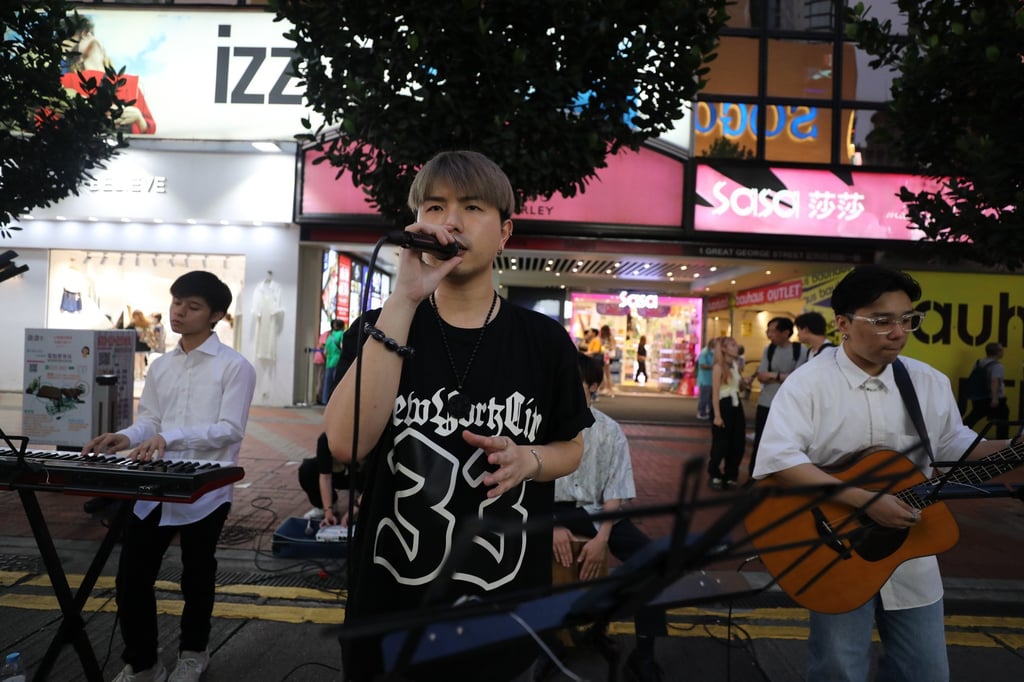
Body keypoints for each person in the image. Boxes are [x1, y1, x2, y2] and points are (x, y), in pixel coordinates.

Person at [323, 150, 594, 682]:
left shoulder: (543, 341)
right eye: (434, 207)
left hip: (503, 606)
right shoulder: (383, 325)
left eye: (472, 207)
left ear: (505, 232)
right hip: (390, 601)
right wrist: (403, 299)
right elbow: (343, 445)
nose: (451, 221)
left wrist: (529, 461)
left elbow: (572, 447)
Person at [753, 265, 1019, 682]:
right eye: (882, 321)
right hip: (835, 551)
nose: (899, 331)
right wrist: (864, 501)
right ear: (843, 323)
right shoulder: (809, 385)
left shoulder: (927, 382)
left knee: (927, 672)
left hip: (912, 554)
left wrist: (1013, 450)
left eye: (908, 319)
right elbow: (779, 461)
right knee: (839, 670)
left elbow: (956, 448)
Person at [81, 271, 255, 682]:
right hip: (156, 484)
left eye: (192, 306)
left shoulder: (235, 367)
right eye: (177, 302)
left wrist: (167, 437)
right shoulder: (161, 366)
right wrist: (123, 437)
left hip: (207, 487)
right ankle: (143, 663)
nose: (179, 311)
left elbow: (229, 429)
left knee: (197, 574)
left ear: (215, 316)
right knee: (131, 577)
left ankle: (194, 652)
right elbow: (151, 420)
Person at [547, 352, 666, 681]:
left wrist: (603, 538)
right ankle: (545, 643)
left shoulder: (610, 431)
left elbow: (616, 489)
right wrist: (552, 525)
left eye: (576, 385)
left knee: (653, 562)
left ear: (593, 387)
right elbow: (528, 488)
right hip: (555, 511)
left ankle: (644, 656)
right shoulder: (542, 423)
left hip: (601, 513)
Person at [61, 17, 157, 134]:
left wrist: (138, 118)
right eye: (79, 36)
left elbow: (150, 132)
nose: (88, 35)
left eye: (87, 32)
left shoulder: (129, 83)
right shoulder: (65, 82)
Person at [750, 316, 807, 477]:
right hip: (766, 402)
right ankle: (755, 476)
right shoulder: (769, 349)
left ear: (786, 332)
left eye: (772, 331)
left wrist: (773, 375)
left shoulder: (800, 350)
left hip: (788, 406)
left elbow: (796, 378)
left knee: (784, 444)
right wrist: (781, 376)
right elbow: (761, 375)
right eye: (768, 330)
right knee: (760, 441)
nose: (769, 334)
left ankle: (777, 477)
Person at [708, 336, 748, 490]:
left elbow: (738, 388)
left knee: (738, 442)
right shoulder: (718, 367)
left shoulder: (736, 365)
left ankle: (731, 474)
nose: (736, 347)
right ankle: (715, 473)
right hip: (723, 405)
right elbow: (715, 393)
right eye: (732, 345)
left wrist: (744, 384)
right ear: (724, 349)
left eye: (735, 344)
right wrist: (717, 415)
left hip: (736, 404)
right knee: (720, 443)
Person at [299, 432, 354, 524]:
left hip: (357, 477)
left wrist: (355, 508)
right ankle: (323, 506)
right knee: (307, 469)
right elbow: (325, 477)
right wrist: (328, 512)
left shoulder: (364, 442)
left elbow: (373, 482)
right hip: (335, 477)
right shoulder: (325, 439)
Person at [963, 342, 1010, 439]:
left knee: (972, 418)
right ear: (997, 352)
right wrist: (995, 398)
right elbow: (994, 381)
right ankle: (1002, 443)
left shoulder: (978, 363)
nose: (1003, 352)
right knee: (1003, 421)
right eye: (1001, 350)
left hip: (978, 397)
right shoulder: (997, 366)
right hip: (993, 398)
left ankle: (960, 433)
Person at [320, 319, 346, 405]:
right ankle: (334, 402)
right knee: (336, 383)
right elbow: (343, 346)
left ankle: (325, 400)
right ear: (342, 326)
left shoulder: (330, 336)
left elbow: (325, 351)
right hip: (337, 361)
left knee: (327, 383)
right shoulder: (341, 334)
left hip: (329, 362)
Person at [127, 309, 153, 380]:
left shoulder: (142, 324)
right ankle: (139, 374)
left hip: (141, 344)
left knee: (140, 360)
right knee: (139, 360)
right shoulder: (144, 324)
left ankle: (140, 374)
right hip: (140, 344)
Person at [695, 338, 717, 420]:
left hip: (711, 380)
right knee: (704, 397)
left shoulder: (713, 353)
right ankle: (701, 412)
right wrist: (714, 366)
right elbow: (702, 365)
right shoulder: (704, 353)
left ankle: (709, 412)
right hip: (705, 380)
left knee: (710, 398)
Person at [312, 327, 331, 405]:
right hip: (321, 359)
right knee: (321, 379)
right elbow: (323, 346)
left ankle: (319, 396)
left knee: (320, 378)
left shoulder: (323, 334)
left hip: (318, 358)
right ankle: (319, 397)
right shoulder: (327, 335)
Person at [598, 324, 617, 396]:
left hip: (606, 356)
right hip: (604, 356)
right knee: (605, 373)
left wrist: (606, 347)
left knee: (607, 373)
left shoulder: (609, 338)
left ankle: (609, 389)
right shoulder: (604, 338)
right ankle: (606, 388)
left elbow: (612, 347)